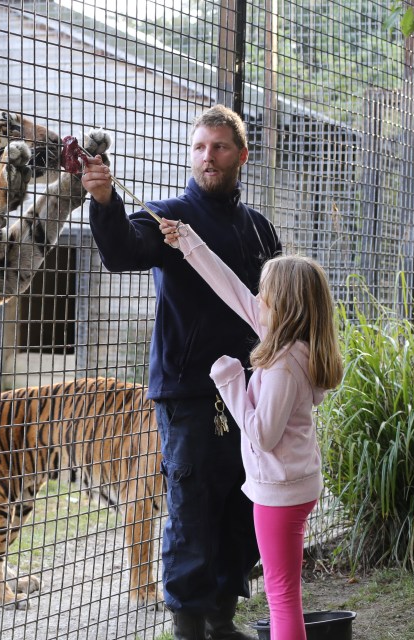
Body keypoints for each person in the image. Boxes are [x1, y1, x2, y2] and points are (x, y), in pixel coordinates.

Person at [82, 104, 282, 640]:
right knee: (191, 509)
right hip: (189, 394)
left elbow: (276, 306)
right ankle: (189, 626)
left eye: (218, 147)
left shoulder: (259, 230)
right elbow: (123, 249)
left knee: (241, 504)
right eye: (199, 147)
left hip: (252, 392)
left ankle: (222, 619)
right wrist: (104, 201)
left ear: (241, 155)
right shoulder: (169, 219)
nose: (207, 157)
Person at [162, 219, 343, 639]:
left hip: (281, 490)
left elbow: (262, 434)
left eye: (266, 292)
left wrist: (229, 382)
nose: (257, 297)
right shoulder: (288, 341)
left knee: (281, 594)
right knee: (284, 591)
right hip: (291, 484)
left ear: (285, 304)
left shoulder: (282, 363)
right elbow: (233, 291)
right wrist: (188, 241)